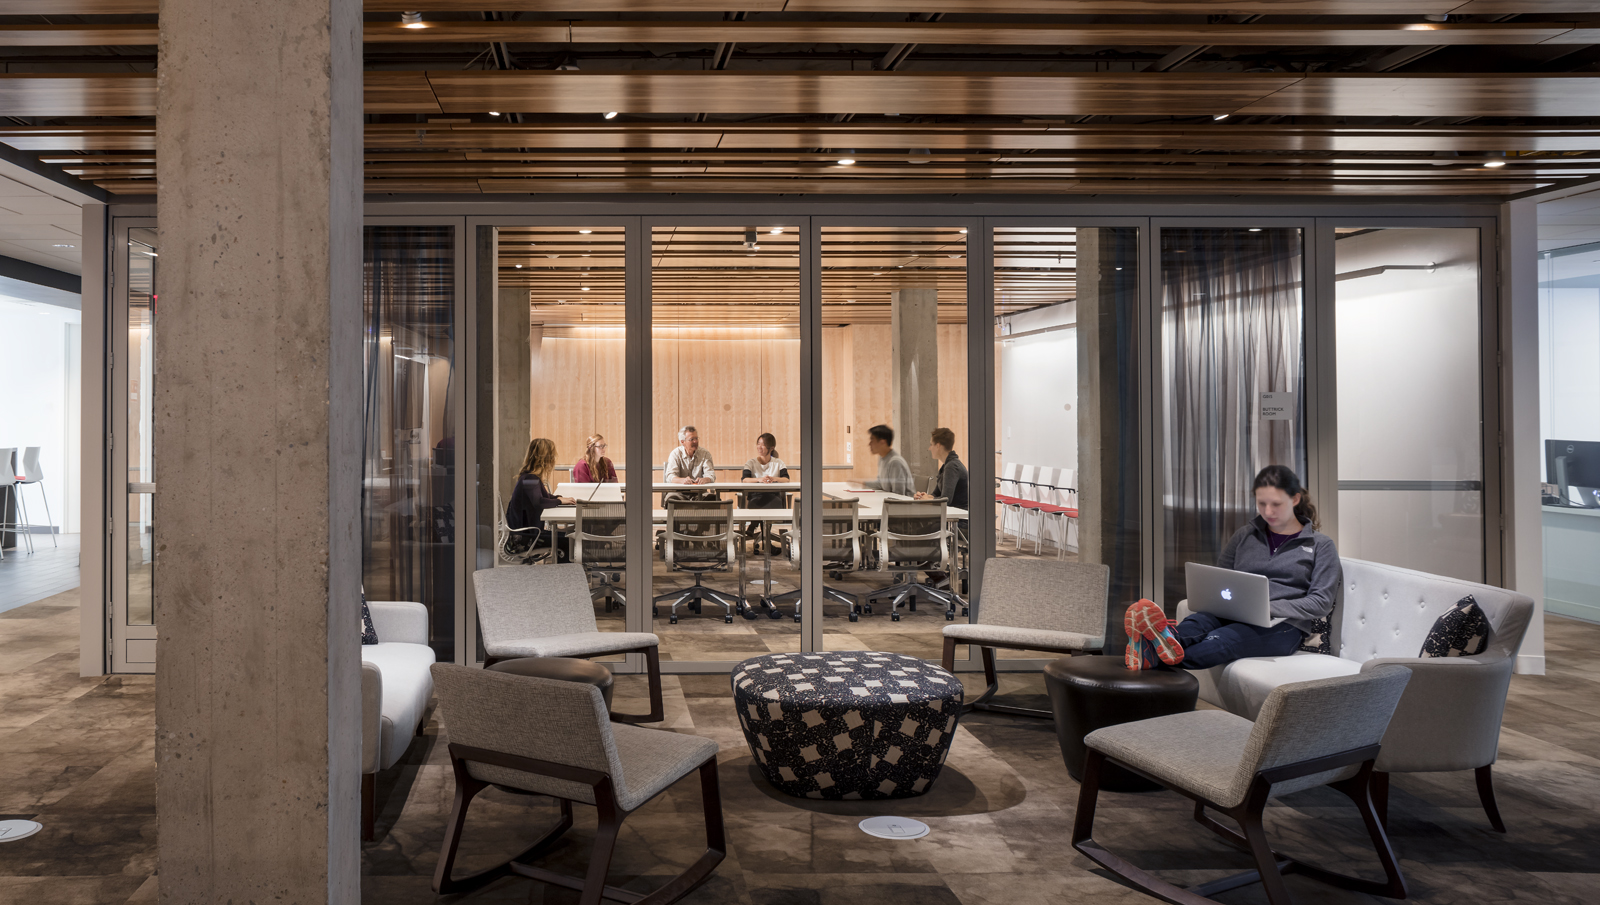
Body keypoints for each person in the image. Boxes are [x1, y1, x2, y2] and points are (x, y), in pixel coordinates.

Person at [1124, 465, 1339, 671]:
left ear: (1294, 499)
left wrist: (1267, 607)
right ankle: (1163, 639)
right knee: (1197, 623)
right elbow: (1221, 580)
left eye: (1276, 504)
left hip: (1284, 627)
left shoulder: (1320, 545)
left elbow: (1320, 602)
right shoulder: (1244, 536)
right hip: (1234, 612)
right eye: (1261, 503)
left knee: (1221, 641)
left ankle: (1149, 653)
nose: (1267, 511)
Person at [504, 438, 576, 561]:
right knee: (569, 540)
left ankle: (563, 576)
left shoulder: (529, 477)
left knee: (568, 536)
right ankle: (564, 578)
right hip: (528, 538)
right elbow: (539, 502)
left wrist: (559, 498)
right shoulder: (530, 480)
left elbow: (544, 497)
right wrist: (559, 501)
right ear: (546, 459)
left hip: (529, 535)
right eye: (552, 455)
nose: (554, 458)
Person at [850, 424, 913, 496]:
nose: (869, 444)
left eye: (872, 440)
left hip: (905, 505)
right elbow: (881, 483)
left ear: (882, 442)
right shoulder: (882, 458)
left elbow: (899, 494)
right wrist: (862, 483)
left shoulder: (895, 462)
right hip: (890, 501)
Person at [914, 427, 968, 510]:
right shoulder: (947, 465)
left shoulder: (952, 467)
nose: (929, 448)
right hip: (951, 516)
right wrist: (923, 496)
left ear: (938, 446)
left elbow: (946, 500)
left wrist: (927, 500)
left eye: (931, 444)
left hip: (958, 520)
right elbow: (936, 494)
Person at [663, 425, 716, 501]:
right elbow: (670, 476)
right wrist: (683, 480)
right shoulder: (675, 454)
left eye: (696, 438)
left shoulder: (705, 454)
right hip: (678, 493)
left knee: (713, 499)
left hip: (700, 493)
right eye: (691, 439)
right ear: (682, 442)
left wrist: (705, 479)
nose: (695, 441)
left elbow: (711, 475)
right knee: (671, 500)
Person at [741, 432, 790, 509]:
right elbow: (745, 480)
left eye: (763, 445)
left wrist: (774, 479)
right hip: (755, 496)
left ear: (771, 448)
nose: (759, 447)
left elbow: (786, 479)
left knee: (777, 503)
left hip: (774, 496)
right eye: (758, 444)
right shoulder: (750, 463)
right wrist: (760, 479)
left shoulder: (778, 463)